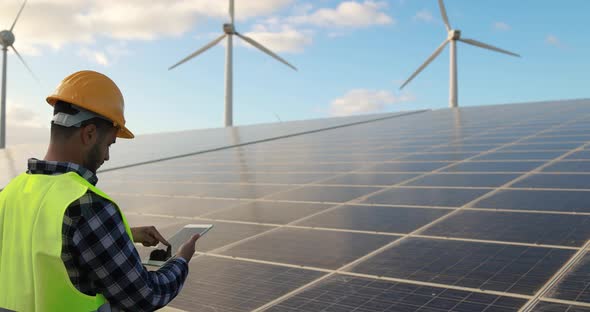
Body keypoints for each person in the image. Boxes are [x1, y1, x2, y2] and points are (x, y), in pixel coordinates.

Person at [0, 70, 199, 311]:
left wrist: (128, 234)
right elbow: (145, 296)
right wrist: (181, 260)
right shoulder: (88, 205)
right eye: (108, 144)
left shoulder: (9, 192)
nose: (106, 156)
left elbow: (40, 243)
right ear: (90, 134)